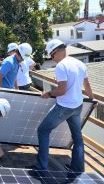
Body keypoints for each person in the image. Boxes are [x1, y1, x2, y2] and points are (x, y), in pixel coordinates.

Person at [33, 39, 94, 172]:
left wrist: (48, 93)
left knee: (43, 130)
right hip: (77, 106)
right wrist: (92, 100)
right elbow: (87, 85)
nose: (52, 59)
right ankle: (78, 168)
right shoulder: (79, 63)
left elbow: (61, 91)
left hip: (64, 107)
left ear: (57, 52)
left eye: (52, 55)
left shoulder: (61, 66)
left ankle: (41, 166)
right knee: (77, 137)